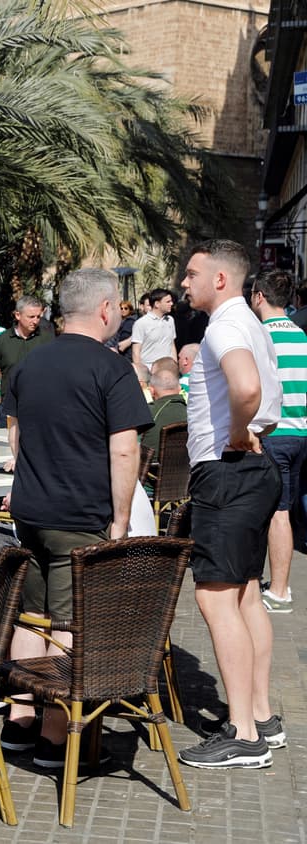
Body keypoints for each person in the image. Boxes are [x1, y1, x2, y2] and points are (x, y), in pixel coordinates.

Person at [0, 268, 151, 768]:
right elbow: (125, 450)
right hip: (79, 516)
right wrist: (122, 522)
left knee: (31, 616)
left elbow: (17, 442)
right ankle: (54, 738)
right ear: (106, 309)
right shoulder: (111, 369)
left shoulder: (29, 362)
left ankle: (19, 720)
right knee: (67, 623)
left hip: (30, 512)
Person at [176, 240, 285, 769]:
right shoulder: (249, 322)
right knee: (244, 596)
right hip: (248, 473)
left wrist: (238, 432)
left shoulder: (223, 326)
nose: (183, 283)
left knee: (217, 600)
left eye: (192, 274)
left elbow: (246, 387)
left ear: (220, 279)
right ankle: (260, 717)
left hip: (229, 471)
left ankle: (243, 734)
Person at [248, 269, 307, 613]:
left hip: (274, 434)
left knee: (276, 513)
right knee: (281, 510)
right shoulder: (302, 336)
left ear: (258, 297)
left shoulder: (260, 338)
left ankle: (280, 590)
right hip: (300, 433)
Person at [0, 295, 51, 411]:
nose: (35, 321)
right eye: (31, 317)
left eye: (38, 316)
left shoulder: (47, 338)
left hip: (40, 405)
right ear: (18, 315)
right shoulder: (2, 340)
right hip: (8, 406)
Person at [141, 359, 188, 457]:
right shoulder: (193, 412)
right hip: (189, 468)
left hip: (150, 469)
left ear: (152, 391)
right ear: (179, 389)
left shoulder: (147, 413)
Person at [132, 287, 177, 367]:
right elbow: (136, 351)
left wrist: (175, 365)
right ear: (157, 304)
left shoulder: (170, 320)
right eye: (168, 302)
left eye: (171, 301)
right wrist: (141, 373)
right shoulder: (141, 323)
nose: (171, 304)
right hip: (149, 370)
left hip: (168, 369)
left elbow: (172, 345)